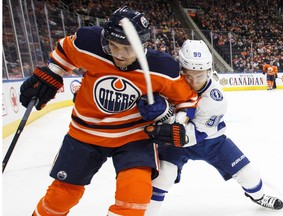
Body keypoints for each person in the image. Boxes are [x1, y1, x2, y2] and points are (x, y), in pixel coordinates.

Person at [19, 6, 198, 216]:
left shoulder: (162, 67)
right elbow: (64, 51)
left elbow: (188, 99)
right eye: (113, 46)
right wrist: (52, 72)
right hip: (85, 133)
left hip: (134, 137)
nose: (119, 55)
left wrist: (177, 122)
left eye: (128, 48)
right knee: (61, 196)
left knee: (135, 196)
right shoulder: (88, 42)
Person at [140, 40, 283, 215]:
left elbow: (196, 133)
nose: (194, 81)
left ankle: (259, 196)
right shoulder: (169, 83)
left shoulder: (216, 99)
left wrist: (162, 125)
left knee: (248, 174)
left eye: (199, 75)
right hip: (177, 144)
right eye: (188, 75)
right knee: (163, 178)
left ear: (208, 70)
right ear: (181, 70)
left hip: (211, 142)